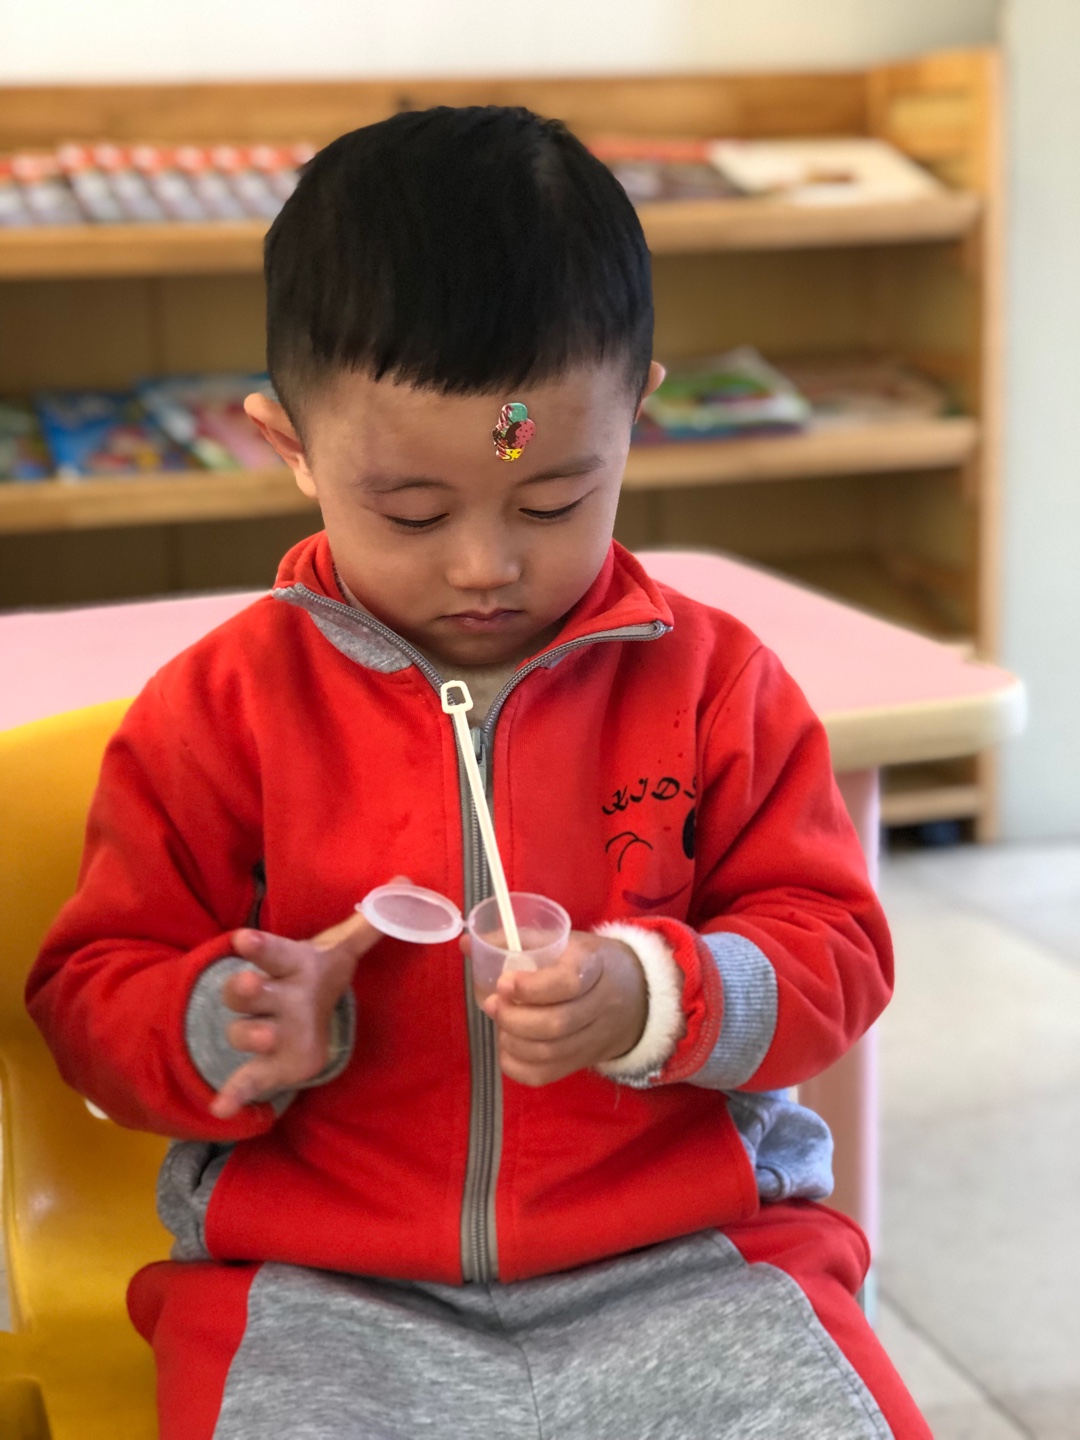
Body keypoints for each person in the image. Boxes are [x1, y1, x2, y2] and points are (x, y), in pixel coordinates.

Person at [28, 106, 929, 1440]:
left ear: (637, 412)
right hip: (321, 1290)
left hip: (692, 1266)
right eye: (412, 511)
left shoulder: (716, 685)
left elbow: (837, 953)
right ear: (287, 445)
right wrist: (224, 1023)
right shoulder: (220, 712)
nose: (484, 565)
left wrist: (653, 994)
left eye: (553, 500)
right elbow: (89, 993)